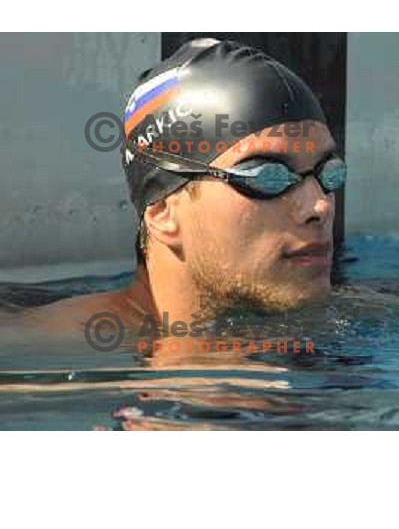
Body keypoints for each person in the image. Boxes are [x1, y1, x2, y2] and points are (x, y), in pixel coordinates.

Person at [26, 38, 347, 337]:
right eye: (266, 176)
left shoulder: (363, 320)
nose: (320, 206)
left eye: (328, 173)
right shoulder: (52, 351)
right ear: (164, 211)